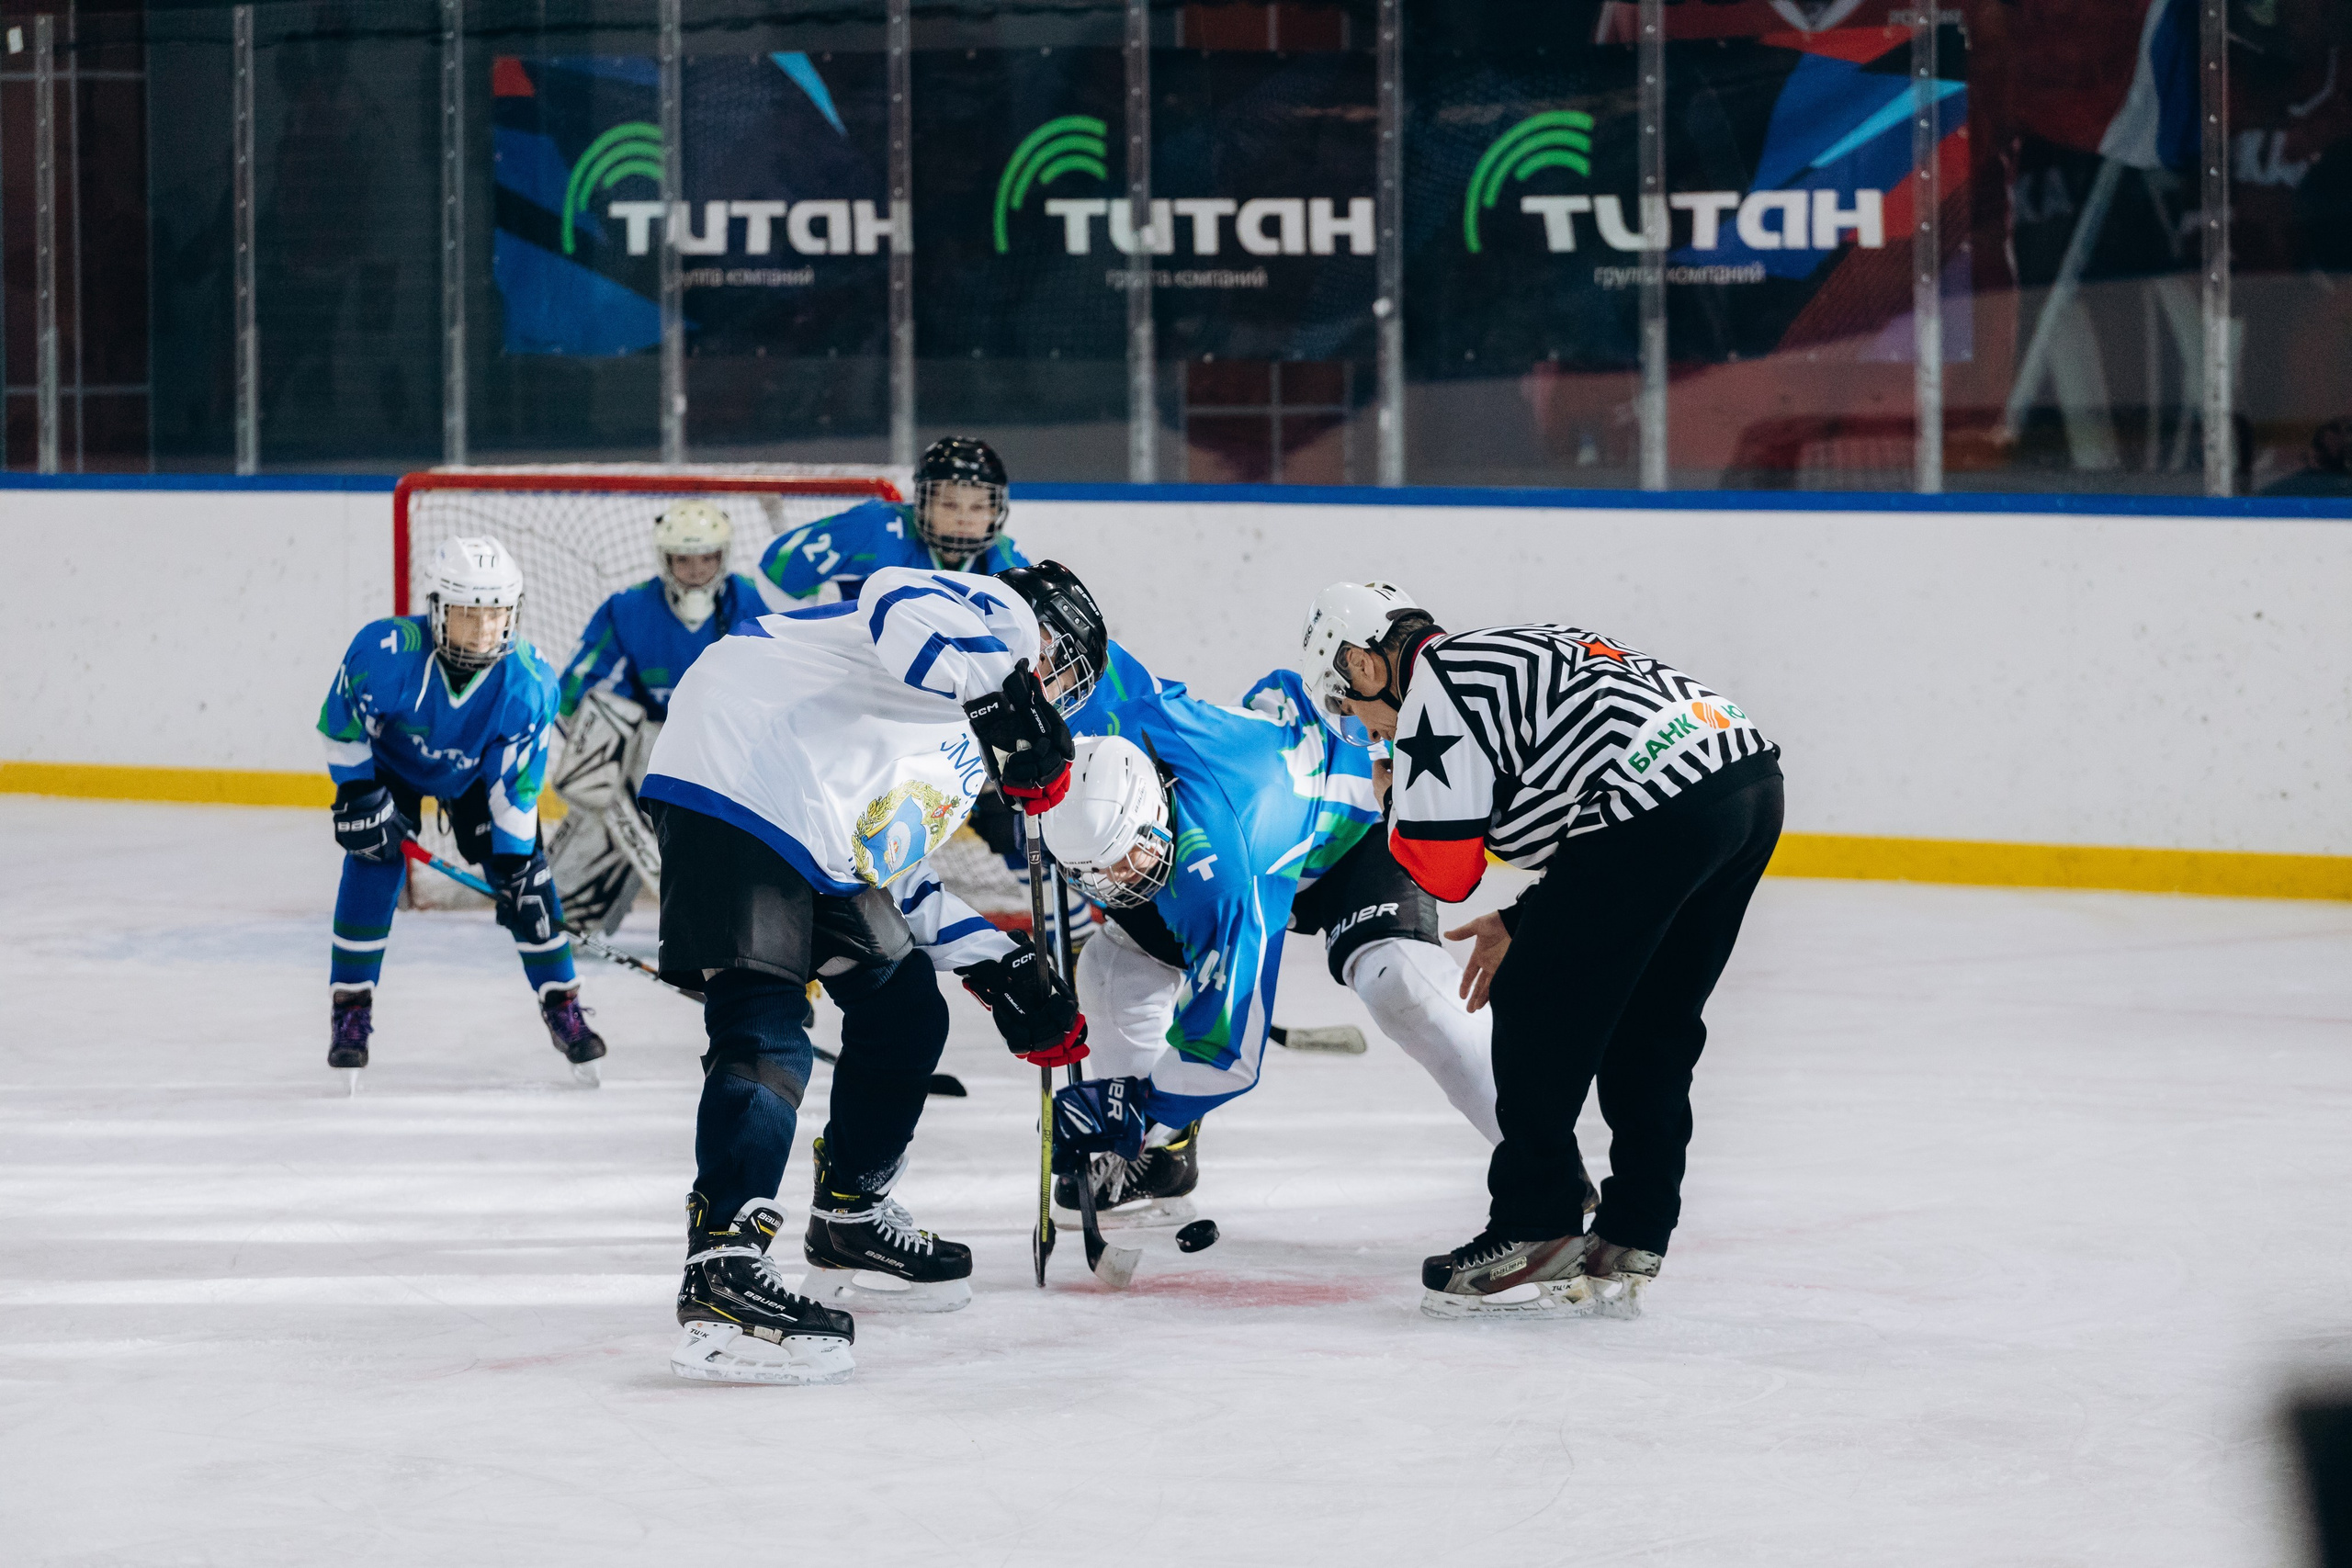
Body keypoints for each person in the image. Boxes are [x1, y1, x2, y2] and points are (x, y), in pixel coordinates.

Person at [642, 559, 1108, 1386]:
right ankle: (720, 1266)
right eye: (1065, 670)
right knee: (765, 1026)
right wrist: (1002, 689)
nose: (1061, 695)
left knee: (904, 1006)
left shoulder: (960, 754)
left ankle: (849, 1212)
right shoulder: (990, 620)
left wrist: (1004, 967)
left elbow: (898, 872)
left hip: (812, 828)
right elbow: (893, 591)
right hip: (739, 764)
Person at [1300, 581, 1782, 1321]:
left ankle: (1536, 1225)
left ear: (1365, 665)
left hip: (1658, 808)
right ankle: (1634, 1229)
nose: (1359, 723)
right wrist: (1526, 919)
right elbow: (1587, 802)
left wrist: (1394, 797)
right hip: (1744, 783)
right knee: (1654, 1020)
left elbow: (1443, 872)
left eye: (1347, 702)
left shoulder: (1434, 696)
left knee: (1529, 1002)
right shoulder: (1497, 652)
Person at [1035, 671, 1511, 1228]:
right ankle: (1153, 1162)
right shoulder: (1106, 727)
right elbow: (1084, 654)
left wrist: (1136, 1113)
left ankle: (1544, 1163)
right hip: (1229, 830)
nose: (1110, 885)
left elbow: (1229, 1056)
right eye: (1089, 874)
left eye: (1119, 861)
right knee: (1112, 966)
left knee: (1400, 985)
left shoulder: (1226, 876)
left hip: (1354, 835)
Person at [315, 535, 605, 1083]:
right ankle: (350, 1006)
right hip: (391, 770)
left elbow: (515, 787)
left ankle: (562, 1003)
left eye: (497, 615)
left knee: (527, 879)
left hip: (477, 777)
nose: (484, 631)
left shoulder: (528, 682)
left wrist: (520, 868)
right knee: (374, 862)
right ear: (437, 610)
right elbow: (343, 725)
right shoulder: (385, 652)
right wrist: (356, 793)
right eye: (468, 616)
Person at [547, 501, 769, 932]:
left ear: (724, 556)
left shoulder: (753, 600)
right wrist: (587, 743)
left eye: (707, 558)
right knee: (598, 779)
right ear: (664, 559)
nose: (696, 570)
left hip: (729, 746)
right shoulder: (629, 607)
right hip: (647, 749)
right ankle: (571, 911)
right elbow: (573, 686)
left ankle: (752, 920)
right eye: (683, 560)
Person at [759, 436, 1026, 604]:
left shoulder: (1005, 559)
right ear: (923, 504)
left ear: (996, 512)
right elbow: (779, 565)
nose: (964, 518)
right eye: (949, 504)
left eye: (979, 507)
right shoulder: (875, 528)